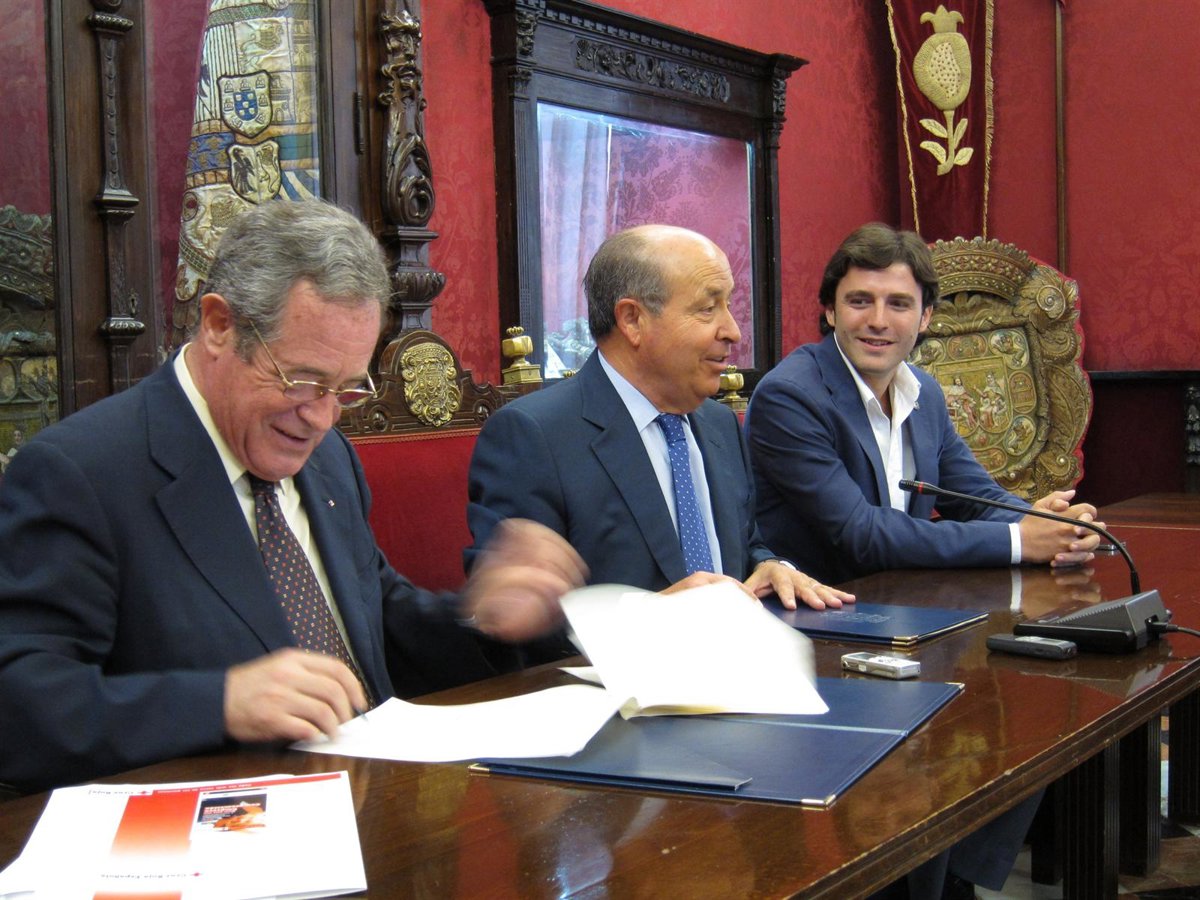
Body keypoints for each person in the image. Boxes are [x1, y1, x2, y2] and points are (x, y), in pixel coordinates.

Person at [0, 200, 585, 793]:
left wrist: (490, 618)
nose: (322, 418)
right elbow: (20, 707)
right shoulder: (81, 473)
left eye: (347, 389)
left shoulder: (329, 460)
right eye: (302, 380)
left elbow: (378, 623)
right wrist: (220, 702)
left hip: (366, 798)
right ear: (219, 325)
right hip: (215, 823)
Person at [466, 224, 852, 663]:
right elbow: (513, 623)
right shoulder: (533, 436)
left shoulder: (720, 424)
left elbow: (745, 545)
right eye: (708, 309)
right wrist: (647, 619)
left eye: (729, 306)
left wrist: (769, 566)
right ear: (633, 320)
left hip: (741, 675)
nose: (733, 331)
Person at [745, 222, 1102, 586]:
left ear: (925, 317)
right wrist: (1021, 540)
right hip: (820, 608)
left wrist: (1050, 524)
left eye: (898, 304)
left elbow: (974, 497)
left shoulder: (924, 392)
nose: (878, 321)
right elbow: (860, 534)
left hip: (905, 599)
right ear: (831, 311)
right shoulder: (789, 397)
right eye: (860, 301)